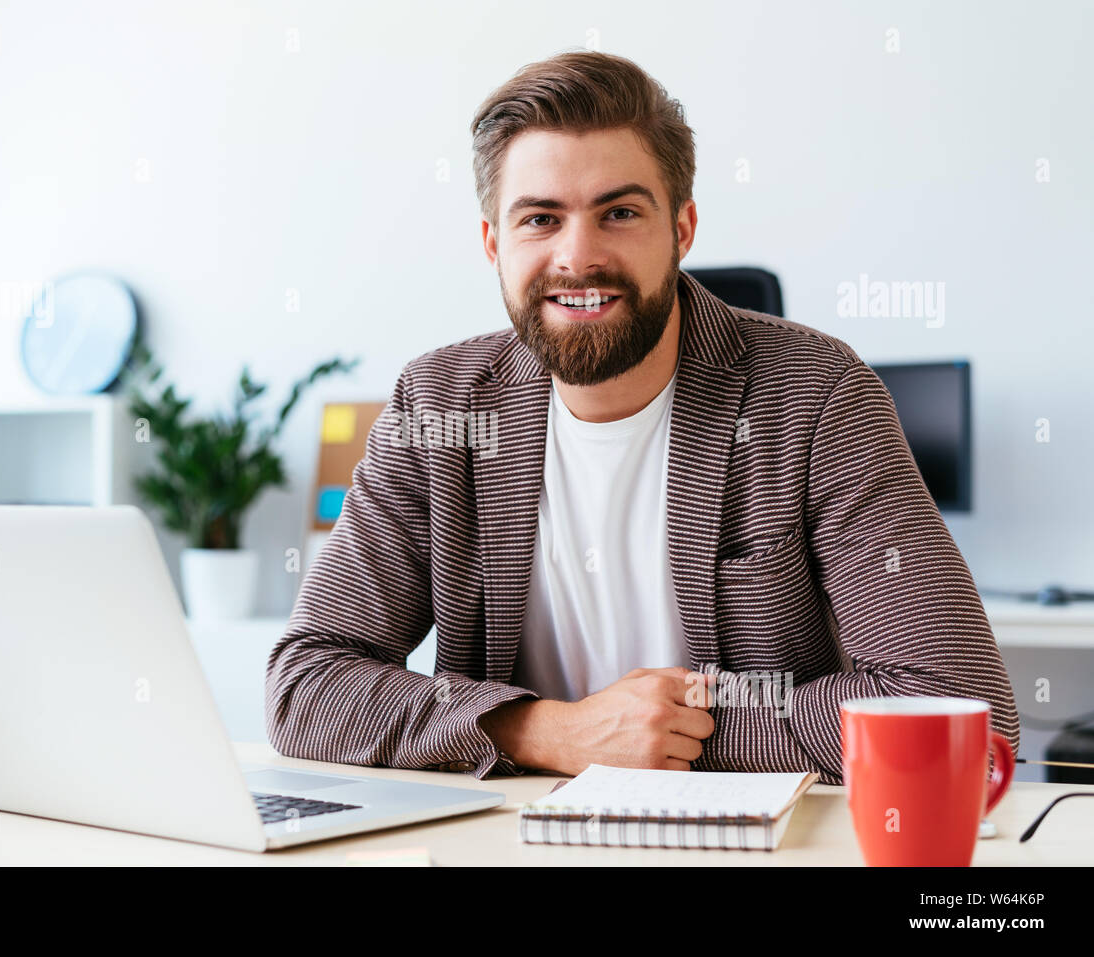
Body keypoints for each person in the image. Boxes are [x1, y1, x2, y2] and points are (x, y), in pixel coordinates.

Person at [265, 50, 1019, 784]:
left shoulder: (817, 396)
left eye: (619, 212)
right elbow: (306, 685)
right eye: (540, 219)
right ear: (494, 243)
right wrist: (551, 731)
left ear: (682, 229)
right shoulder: (439, 404)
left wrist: (672, 731)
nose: (578, 254)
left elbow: (964, 709)